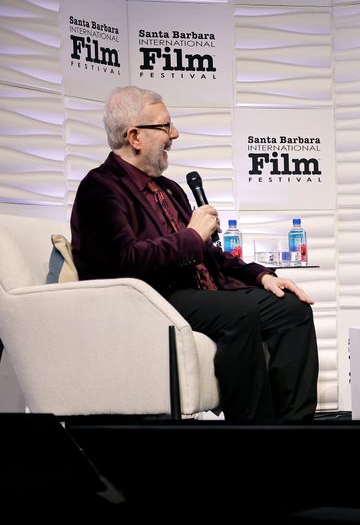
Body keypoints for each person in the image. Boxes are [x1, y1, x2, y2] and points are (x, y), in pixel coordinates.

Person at [71, 85, 319, 422]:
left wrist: (262, 276)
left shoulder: (170, 188)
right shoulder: (100, 187)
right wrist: (190, 236)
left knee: (291, 308)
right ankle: (255, 432)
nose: (174, 134)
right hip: (152, 300)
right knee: (240, 312)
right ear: (135, 136)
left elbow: (210, 254)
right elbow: (124, 261)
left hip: (196, 292)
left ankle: (293, 429)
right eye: (165, 126)